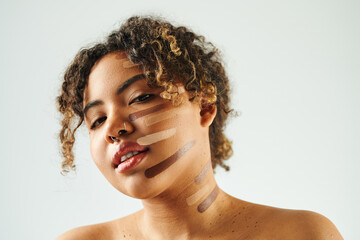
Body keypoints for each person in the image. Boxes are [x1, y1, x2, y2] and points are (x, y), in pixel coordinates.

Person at [56, 16, 343, 240]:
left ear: (204, 106)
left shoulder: (304, 234)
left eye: (141, 98)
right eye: (97, 120)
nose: (113, 129)